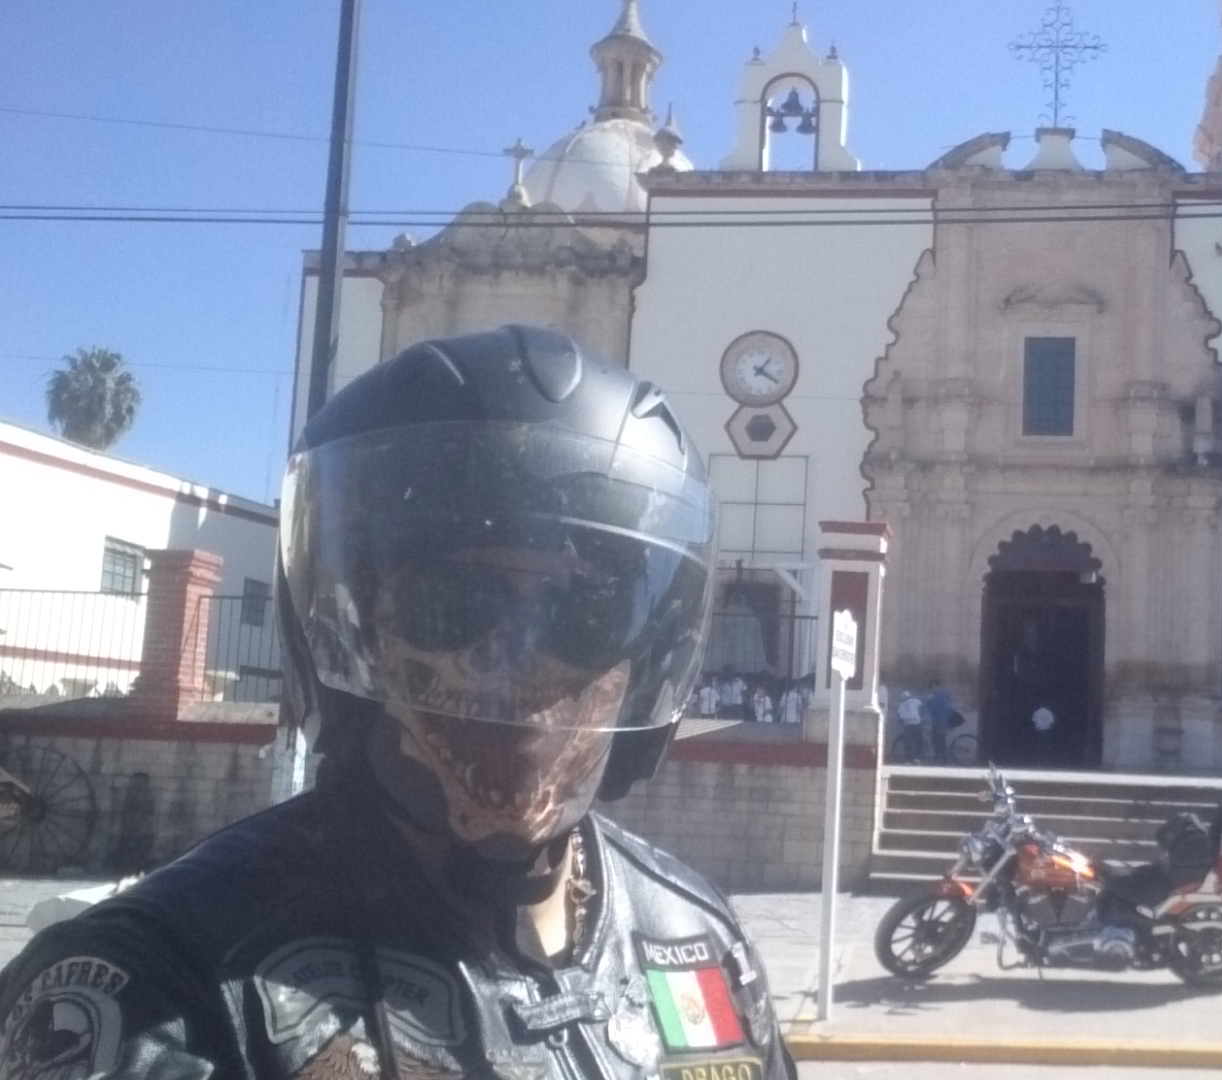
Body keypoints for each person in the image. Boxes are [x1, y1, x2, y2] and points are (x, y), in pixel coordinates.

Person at [0, 327, 794, 1079]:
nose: (513, 663)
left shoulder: (691, 935)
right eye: (452, 604)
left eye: (583, 615)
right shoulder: (168, 985)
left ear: (640, 649)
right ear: (361, 632)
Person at [896, 690, 925, 762]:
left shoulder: (902, 704)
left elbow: (899, 716)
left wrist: (901, 723)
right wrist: (920, 717)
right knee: (918, 741)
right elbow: (922, 709)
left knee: (908, 742)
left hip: (907, 725)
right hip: (916, 723)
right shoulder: (916, 700)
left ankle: (908, 759)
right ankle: (917, 758)